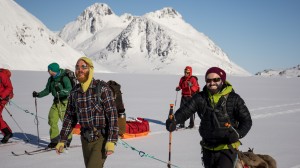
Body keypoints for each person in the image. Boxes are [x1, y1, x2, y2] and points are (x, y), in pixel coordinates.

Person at [166, 67, 252, 168]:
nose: (212, 83)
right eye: (208, 80)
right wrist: (174, 121)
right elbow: (185, 111)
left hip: (227, 147)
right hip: (207, 147)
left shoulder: (234, 98)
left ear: (222, 80)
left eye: (216, 79)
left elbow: (246, 121)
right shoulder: (200, 97)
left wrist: (238, 134)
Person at [55, 57, 119, 168]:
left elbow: (112, 115)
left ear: (90, 69)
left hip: (101, 138)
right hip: (85, 139)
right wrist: (62, 140)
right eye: (77, 67)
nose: (80, 70)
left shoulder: (102, 88)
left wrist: (111, 141)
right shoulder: (75, 92)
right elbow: (70, 117)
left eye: (83, 67)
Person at [32, 63, 73, 148]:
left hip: (64, 102)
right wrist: (38, 94)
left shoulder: (64, 78)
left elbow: (69, 90)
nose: (48, 71)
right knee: (51, 119)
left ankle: (67, 140)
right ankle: (54, 141)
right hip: (56, 102)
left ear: (53, 70)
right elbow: (47, 90)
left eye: (49, 69)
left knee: (65, 122)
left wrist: (61, 91)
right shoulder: (51, 79)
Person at [0, 69, 14, 143]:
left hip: (3, 98)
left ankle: (7, 133)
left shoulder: (2, 75)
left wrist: (2, 96)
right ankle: (7, 132)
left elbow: (9, 88)